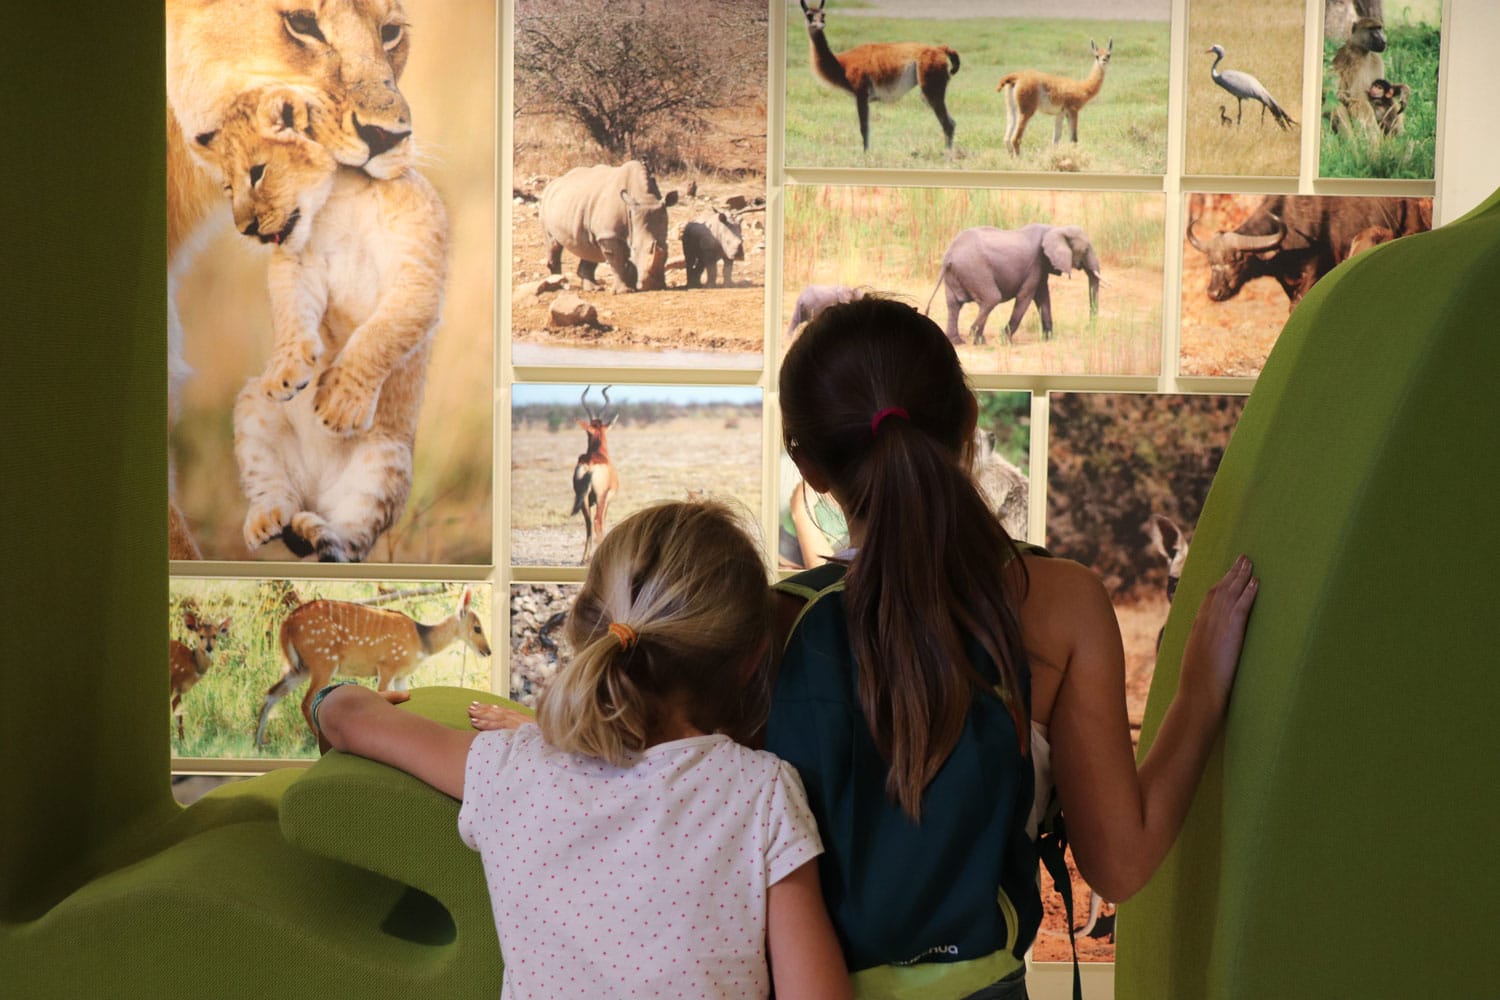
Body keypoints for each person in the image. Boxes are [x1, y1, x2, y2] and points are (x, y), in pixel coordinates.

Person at [767, 296, 1259, 999]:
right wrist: (1201, 694)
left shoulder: (773, 624)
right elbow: (1119, 865)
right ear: (969, 422)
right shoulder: (1061, 601)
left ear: (807, 465)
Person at [317, 500, 851, 1000]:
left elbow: (347, 717)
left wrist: (327, 697)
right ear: (753, 660)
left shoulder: (509, 767)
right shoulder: (761, 794)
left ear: (587, 625)